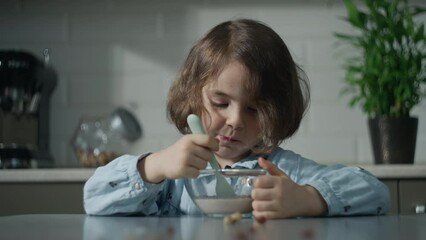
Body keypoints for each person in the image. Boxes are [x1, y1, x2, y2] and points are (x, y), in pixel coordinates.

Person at [84, 19, 390, 219]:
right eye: (220, 103)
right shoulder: (175, 177)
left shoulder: (285, 172)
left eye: (253, 110)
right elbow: (94, 198)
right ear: (193, 95)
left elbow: (375, 192)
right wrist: (155, 166)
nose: (235, 121)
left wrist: (308, 199)